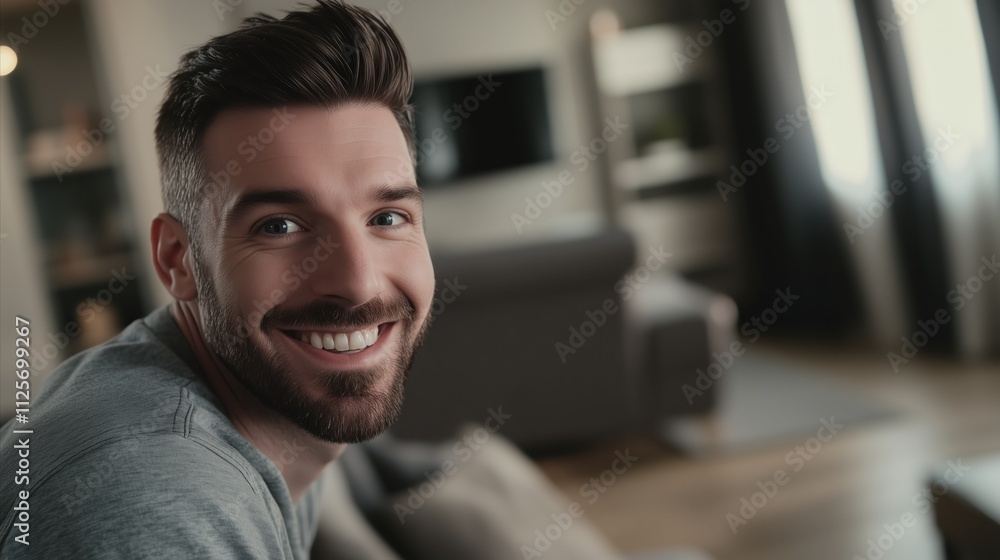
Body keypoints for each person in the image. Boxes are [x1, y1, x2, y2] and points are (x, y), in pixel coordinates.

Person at [0, 1, 434, 557]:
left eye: (386, 218)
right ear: (179, 260)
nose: (358, 283)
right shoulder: (159, 501)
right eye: (279, 226)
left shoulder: (274, 408)